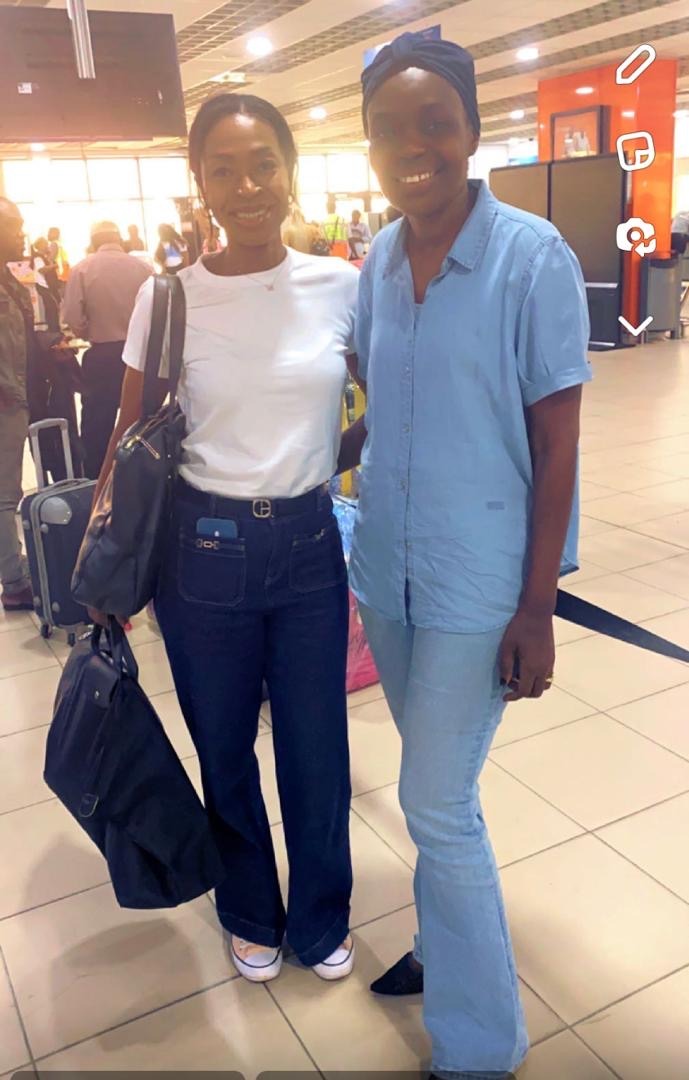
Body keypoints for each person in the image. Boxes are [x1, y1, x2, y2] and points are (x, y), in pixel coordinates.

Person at [338, 32, 592, 1079]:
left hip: (480, 584)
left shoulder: (532, 259)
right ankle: (442, 944)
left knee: (434, 801)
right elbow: (372, 407)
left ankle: (480, 1047)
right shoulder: (376, 259)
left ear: (472, 131)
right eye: (388, 131)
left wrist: (537, 607)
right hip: (386, 572)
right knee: (438, 790)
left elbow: (556, 444)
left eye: (434, 123)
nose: (413, 147)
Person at [90, 92, 359, 986]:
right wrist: (104, 564)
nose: (247, 187)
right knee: (223, 746)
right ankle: (249, 909)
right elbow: (127, 436)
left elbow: (388, 402)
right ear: (199, 183)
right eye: (224, 171)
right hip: (202, 552)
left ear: (290, 170)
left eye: (263, 165)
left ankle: (320, 916)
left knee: (317, 749)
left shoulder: (339, 286)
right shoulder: (168, 298)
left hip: (309, 545)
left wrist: (325, 460)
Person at [62, 220, 152, 479]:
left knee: (97, 426)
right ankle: (139, 476)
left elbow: (72, 317)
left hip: (102, 356)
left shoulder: (82, 269)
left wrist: (87, 330)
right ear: (119, 238)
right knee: (142, 421)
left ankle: (96, 481)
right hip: (142, 357)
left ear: (93, 241)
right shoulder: (143, 269)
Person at [0, 199, 37, 611]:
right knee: (5, 493)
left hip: (15, 396)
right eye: (14, 227)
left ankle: (13, 565)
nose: (21, 234)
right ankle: (12, 582)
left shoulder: (9, 279)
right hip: (5, 400)